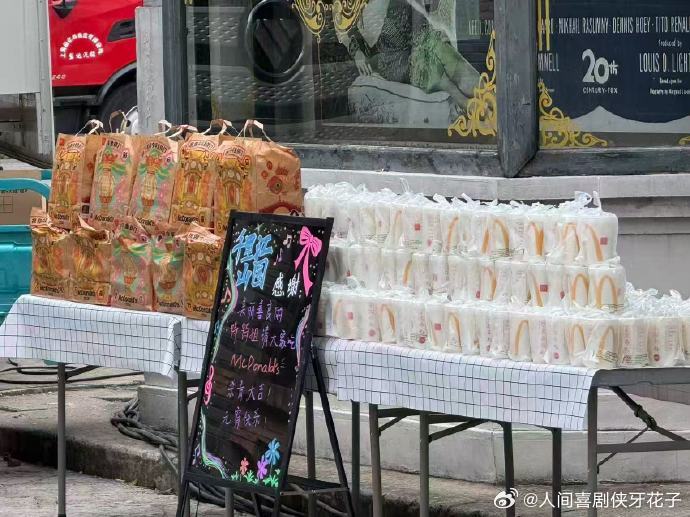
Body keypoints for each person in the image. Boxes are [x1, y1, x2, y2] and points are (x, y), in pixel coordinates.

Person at [336, 0, 481, 110]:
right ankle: (469, 104)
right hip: (388, 61)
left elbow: (419, 27)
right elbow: (346, 30)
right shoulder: (356, 7)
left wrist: (435, 34)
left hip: (411, 49)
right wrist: (357, 53)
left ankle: (486, 93)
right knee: (434, 71)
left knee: (443, 50)